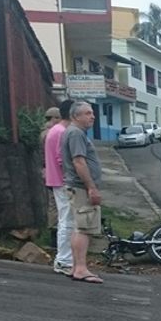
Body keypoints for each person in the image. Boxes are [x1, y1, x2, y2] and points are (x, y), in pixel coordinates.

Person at [61, 101, 104, 284]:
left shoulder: (74, 132)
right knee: (84, 228)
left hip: (77, 187)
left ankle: (75, 267)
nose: (92, 116)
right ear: (75, 116)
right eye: (87, 113)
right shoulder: (76, 133)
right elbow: (79, 162)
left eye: (92, 113)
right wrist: (91, 187)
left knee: (79, 227)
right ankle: (80, 268)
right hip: (80, 187)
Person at [44, 101, 74, 275]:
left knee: (65, 220)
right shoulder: (62, 132)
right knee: (67, 221)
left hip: (56, 180)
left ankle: (65, 258)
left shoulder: (54, 131)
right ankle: (64, 260)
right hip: (63, 181)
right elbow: (62, 159)